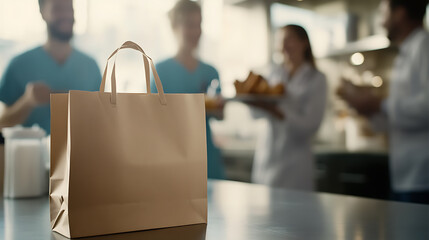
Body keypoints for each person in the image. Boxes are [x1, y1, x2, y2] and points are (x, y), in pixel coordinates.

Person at [338, 0, 429, 204]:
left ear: (400, 13)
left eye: (383, 12)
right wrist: (366, 108)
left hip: (422, 176)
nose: (381, 20)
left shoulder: (424, 46)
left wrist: (379, 104)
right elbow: (393, 120)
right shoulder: (404, 54)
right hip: (405, 175)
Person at [0, 0, 101, 134]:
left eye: (70, 8)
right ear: (42, 12)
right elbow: (3, 123)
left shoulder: (91, 66)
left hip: (81, 153)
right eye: (58, 8)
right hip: (31, 153)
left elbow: (102, 119)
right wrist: (28, 101)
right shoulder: (18, 65)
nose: (66, 14)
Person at [151, 0, 225, 179]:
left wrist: (218, 106)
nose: (196, 32)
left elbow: (220, 115)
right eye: (190, 25)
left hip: (207, 155)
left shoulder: (210, 71)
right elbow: (153, 117)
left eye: (199, 25)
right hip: (172, 155)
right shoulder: (160, 70)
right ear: (175, 26)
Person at [251, 25, 327, 190]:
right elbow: (256, 115)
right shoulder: (273, 74)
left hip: (296, 165)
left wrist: (277, 111)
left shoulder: (316, 79)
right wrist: (255, 103)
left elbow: (311, 125)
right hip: (268, 156)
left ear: (304, 43)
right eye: (281, 41)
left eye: (289, 40)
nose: (283, 46)